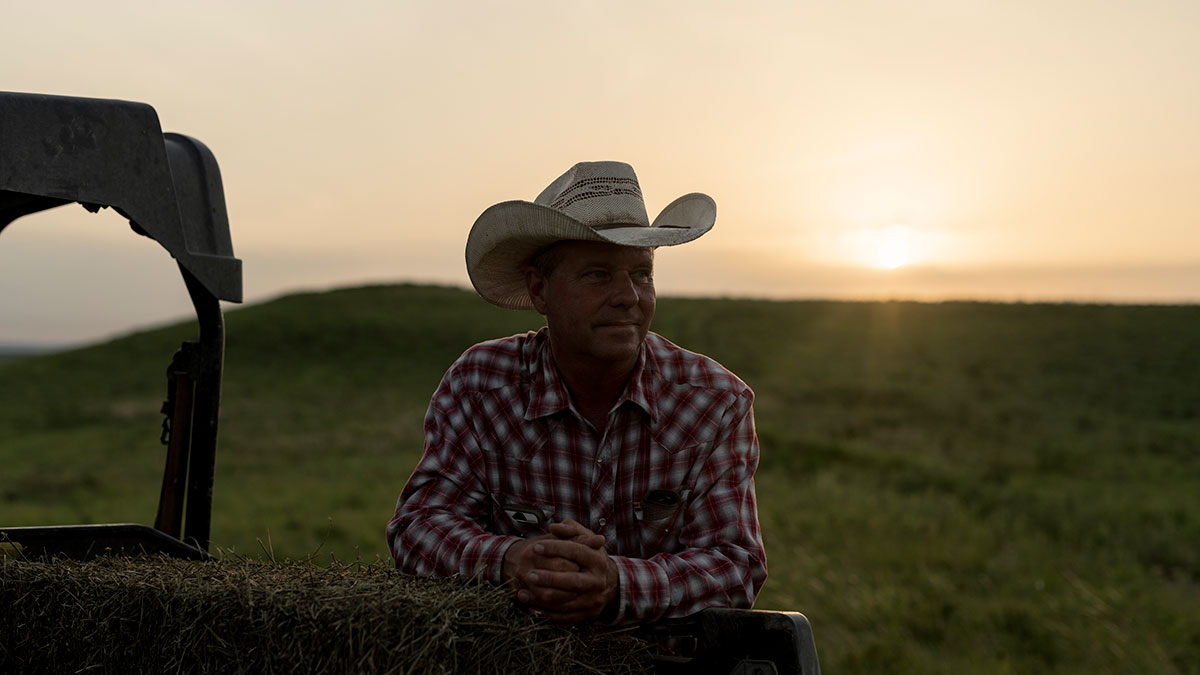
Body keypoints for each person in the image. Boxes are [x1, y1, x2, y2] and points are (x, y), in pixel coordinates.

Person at [386, 161, 766, 624]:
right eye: (597, 275)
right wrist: (512, 561)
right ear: (540, 290)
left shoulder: (713, 400)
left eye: (641, 274)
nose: (628, 296)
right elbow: (418, 526)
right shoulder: (481, 384)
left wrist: (617, 583)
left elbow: (735, 564)